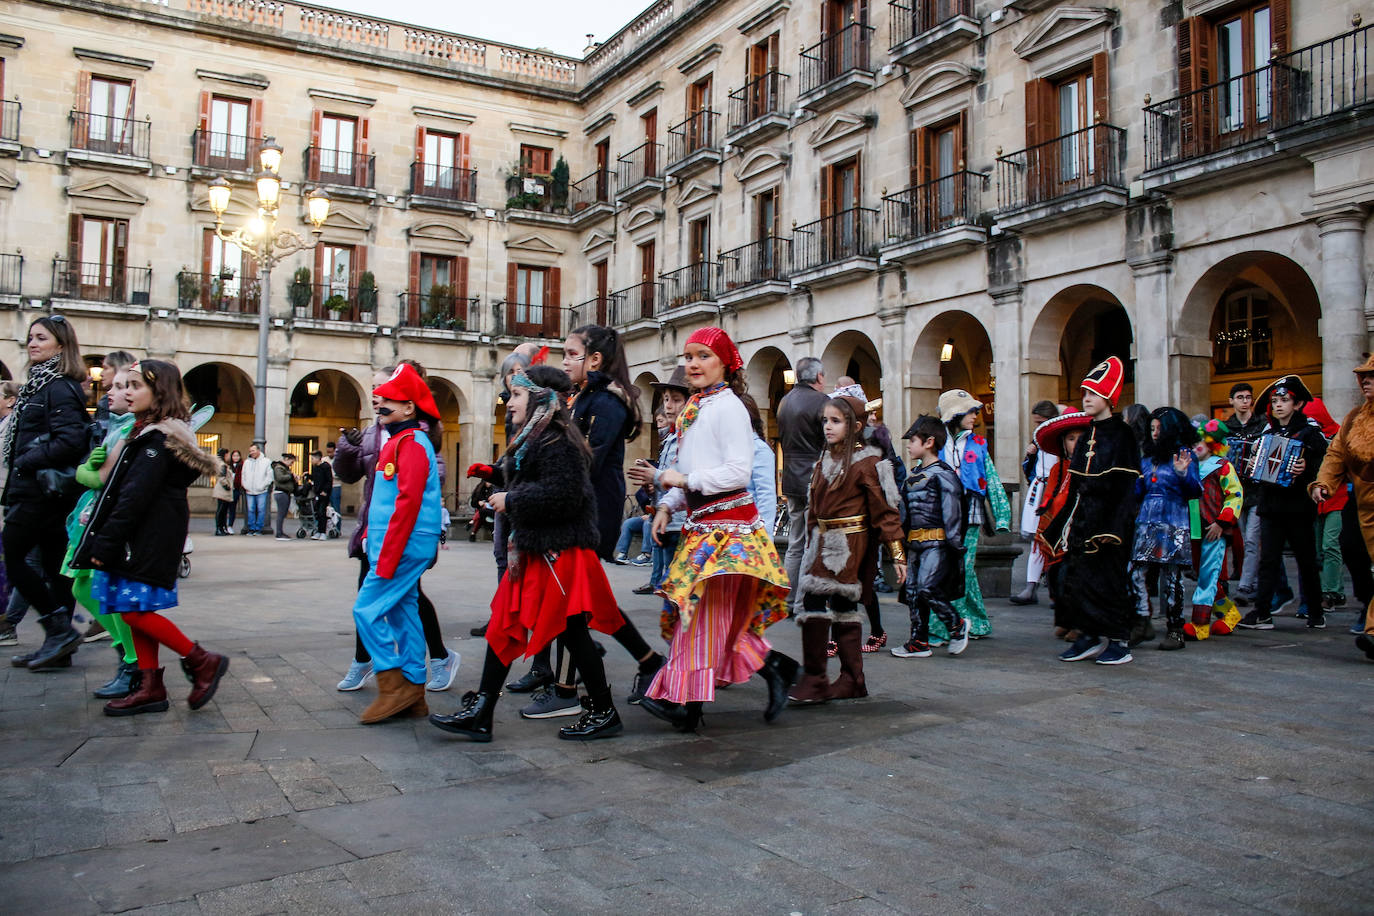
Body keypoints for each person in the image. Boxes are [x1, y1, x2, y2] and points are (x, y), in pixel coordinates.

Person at [429, 365, 625, 742]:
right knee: (505, 623)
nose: (509, 401)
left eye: (516, 395)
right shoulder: (536, 439)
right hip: (538, 551)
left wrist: (511, 499)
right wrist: (494, 474)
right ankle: (483, 711)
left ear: (539, 399)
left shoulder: (557, 441)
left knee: (572, 633)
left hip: (559, 554)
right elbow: (533, 479)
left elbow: (565, 495)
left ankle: (603, 710)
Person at [637, 327, 795, 734]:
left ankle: (686, 704)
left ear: (725, 362)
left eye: (702, 356)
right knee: (710, 615)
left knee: (701, 616)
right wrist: (668, 504)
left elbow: (736, 472)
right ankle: (774, 668)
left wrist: (677, 482)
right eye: (688, 356)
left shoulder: (728, 408)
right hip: (703, 526)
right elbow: (692, 467)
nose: (693, 364)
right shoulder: (698, 407)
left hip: (728, 530)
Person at [516, 324, 661, 721]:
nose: (564, 362)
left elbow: (584, 457)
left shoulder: (606, 403)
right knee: (590, 602)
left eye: (569, 354)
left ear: (594, 360)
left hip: (593, 511)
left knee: (571, 602)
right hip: (582, 506)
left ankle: (566, 688)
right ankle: (648, 661)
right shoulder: (584, 397)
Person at [69, 360, 227, 716]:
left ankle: (201, 660)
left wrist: (105, 542)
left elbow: (133, 497)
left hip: (146, 539)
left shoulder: (158, 438)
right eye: (126, 385)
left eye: (135, 386)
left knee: (135, 612)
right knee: (133, 611)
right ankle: (150, 685)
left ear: (160, 392)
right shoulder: (146, 432)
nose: (126, 392)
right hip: (139, 537)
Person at [334, 365, 458, 693]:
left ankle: (394, 680)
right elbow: (378, 494)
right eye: (379, 394)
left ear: (409, 407)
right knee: (404, 611)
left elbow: (408, 503)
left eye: (389, 396)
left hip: (400, 544)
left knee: (366, 608)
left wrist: (388, 552)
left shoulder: (412, 442)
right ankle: (414, 681)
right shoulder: (396, 439)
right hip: (386, 541)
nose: (380, 400)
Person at [788, 393, 904, 703]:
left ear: (855, 425)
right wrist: (812, 542)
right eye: (825, 420)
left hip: (848, 546)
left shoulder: (869, 463)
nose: (828, 426)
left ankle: (816, 678)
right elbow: (814, 511)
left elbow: (886, 511)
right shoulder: (824, 460)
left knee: (814, 598)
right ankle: (852, 679)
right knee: (842, 607)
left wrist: (898, 556)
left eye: (836, 421)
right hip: (823, 544)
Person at [3, 316, 91, 671]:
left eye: (41, 337)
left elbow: (71, 439)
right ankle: (59, 647)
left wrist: (26, 459)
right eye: (30, 337)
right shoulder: (38, 386)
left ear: (61, 344)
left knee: (12, 555)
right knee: (55, 570)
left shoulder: (59, 387)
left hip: (42, 491)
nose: (32, 343)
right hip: (41, 490)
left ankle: (58, 630)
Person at [1043, 357, 1141, 666]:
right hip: (1083, 521)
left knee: (1108, 581)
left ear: (1108, 398)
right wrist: (1062, 525)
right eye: (1084, 393)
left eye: (1093, 394)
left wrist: (1116, 528)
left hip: (1110, 522)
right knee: (1078, 580)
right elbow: (1075, 488)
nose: (1086, 399)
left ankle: (1118, 640)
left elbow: (1126, 487)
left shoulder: (1122, 435)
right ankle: (1087, 635)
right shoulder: (1085, 436)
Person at [62, 363, 140, 698]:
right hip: (92, 516)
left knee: (106, 590)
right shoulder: (117, 426)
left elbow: (102, 480)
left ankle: (132, 660)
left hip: (104, 517)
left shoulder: (130, 430)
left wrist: (82, 471)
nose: (109, 389)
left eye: (123, 384)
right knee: (82, 589)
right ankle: (128, 655)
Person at [1238, 375, 1327, 631]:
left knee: (1306, 559)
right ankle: (1263, 612)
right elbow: (1256, 470)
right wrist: (1254, 465)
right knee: (1269, 559)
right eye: (1275, 401)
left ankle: (1315, 610)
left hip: (1299, 506)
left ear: (1297, 404)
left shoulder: (1310, 432)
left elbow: (1325, 463)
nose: (1278, 405)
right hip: (1271, 506)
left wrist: (1306, 466)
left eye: (1284, 400)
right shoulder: (1268, 433)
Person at [928, 389, 1011, 643]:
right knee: (957, 569)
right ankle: (978, 623)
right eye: (970, 410)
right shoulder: (938, 442)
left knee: (961, 568)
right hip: (941, 514)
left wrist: (1002, 516)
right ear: (956, 414)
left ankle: (949, 625)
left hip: (971, 514)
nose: (976, 415)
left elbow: (993, 481)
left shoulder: (978, 444)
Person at [1311, 356, 1374, 658]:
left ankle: (1373, 630)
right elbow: (1335, 454)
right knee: (1350, 548)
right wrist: (1324, 483)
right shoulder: (1353, 417)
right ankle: (1367, 601)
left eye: (1372, 376)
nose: (1366, 381)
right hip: (1361, 503)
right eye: (1363, 377)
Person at [891, 415, 966, 660]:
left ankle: (956, 625)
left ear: (929, 442)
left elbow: (952, 512)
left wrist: (955, 545)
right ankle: (918, 641)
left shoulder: (943, 474)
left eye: (913, 440)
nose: (909, 445)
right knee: (913, 592)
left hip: (937, 543)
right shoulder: (913, 476)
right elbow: (904, 514)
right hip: (915, 543)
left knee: (927, 588)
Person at [1130, 408, 1202, 650]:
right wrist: (1135, 481)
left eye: (1159, 428)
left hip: (1173, 520)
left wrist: (1183, 474)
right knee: (1135, 572)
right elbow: (1139, 492)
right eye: (1152, 429)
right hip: (1147, 519)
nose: (1155, 433)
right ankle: (1142, 620)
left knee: (1172, 578)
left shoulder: (1185, 454)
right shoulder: (1147, 459)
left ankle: (1175, 628)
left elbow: (1195, 491)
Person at [627, 365, 690, 600]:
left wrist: (656, 476)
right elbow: (667, 475)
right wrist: (651, 481)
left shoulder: (688, 437)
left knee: (676, 588)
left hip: (679, 521)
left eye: (675, 400)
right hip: (663, 516)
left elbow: (684, 476)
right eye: (666, 399)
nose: (669, 406)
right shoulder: (672, 436)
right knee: (667, 581)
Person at [1029, 411, 1091, 638]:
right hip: (1056, 531)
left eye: (1080, 438)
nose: (1075, 443)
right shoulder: (1058, 468)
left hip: (1079, 532)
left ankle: (1079, 624)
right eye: (1071, 438)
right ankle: (1064, 619)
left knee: (1072, 578)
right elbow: (1049, 498)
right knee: (1055, 578)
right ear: (1063, 443)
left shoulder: (1091, 469)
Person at [1184, 418, 1244, 641]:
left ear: (1211, 443)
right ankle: (1229, 614)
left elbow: (1235, 496)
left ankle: (1200, 624)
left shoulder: (1222, 466)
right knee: (1204, 576)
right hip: (1195, 530)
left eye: (1198, 442)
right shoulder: (1190, 467)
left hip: (1214, 529)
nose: (1194, 447)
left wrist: (1222, 522)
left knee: (1207, 577)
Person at [776, 356, 828, 612]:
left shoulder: (785, 402)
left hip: (791, 479)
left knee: (795, 542)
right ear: (818, 377)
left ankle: (788, 599)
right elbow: (828, 441)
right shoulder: (822, 402)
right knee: (812, 541)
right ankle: (801, 602)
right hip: (814, 478)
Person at [1011, 400, 1062, 606]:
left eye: (1041, 421)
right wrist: (1031, 455)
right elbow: (1029, 468)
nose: (1038, 426)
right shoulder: (1039, 439)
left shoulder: (1060, 439)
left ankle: (1056, 588)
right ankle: (1031, 586)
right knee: (1036, 542)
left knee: (1056, 541)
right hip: (1039, 489)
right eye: (1036, 422)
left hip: (1055, 490)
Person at [1226, 382, 1270, 606]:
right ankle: (1252, 581)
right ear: (1231, 400)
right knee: (1244, 538)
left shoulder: (1263, 424)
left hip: (1257, 490)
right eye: (1240, 397)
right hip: (1236, 492)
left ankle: (1245, 585)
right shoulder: (1226, 428)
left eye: (1248, 397)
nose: (1245, 401)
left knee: (1252, 539)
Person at [1305, 399, 1347, 612]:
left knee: (1330, 544)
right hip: (1316, 500)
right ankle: (1334, 589)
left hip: (1339, 499)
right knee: (1320, 548)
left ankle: (1330, 592)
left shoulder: (1341, 434)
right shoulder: (1309, 435)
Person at [612, 484, 654, 566]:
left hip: (662, 519)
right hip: (650, 515)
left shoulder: (665, 489)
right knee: (628, 523)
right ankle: (622, 554)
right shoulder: (646, 491)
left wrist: (651, 515)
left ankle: (647, 555)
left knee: (648, 523)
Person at [239, 444, 272, 535]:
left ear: (258, 450)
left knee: (261, 510)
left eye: (253, 450)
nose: (251, 452)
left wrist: (263, 486)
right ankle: (251, 528)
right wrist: (245, 485)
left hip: (261, 491)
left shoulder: (266, 461)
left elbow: (269, 476)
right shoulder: (247, 462)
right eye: (250, 451)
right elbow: (243, 475)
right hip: (249, 490)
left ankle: (258, 529)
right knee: (250, 510)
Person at [271, 453, 298, 540]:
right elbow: (280, 478)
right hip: (281, 492)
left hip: (284, 493)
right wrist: (291, 476)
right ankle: (279, 533)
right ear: (286, 459)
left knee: (282, 513)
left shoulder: (283, 468)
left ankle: (280, 532)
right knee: (281, 514)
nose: (291, 464)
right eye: (291, 462)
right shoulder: (279, 467)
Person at [308, 449, 333, 540]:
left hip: (324, 493)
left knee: (322, 512)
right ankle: (318, 531)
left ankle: (323, 532)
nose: (311, 460)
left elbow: (329, 480)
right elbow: (315, 478)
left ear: (318, 458)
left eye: (312, 458)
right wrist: (308, 476)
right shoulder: (315, 468)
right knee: (317, 512)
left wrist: (325, 491)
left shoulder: (326, 466)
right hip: (317, 493)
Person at [213, 448, 234, 536]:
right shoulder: (223, 465)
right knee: (221, 511)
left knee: (223, 511)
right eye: (228, 455)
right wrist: (227, 486)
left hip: (223, 491)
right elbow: (222, 478)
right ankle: (219, 528)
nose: (229, 457)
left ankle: (222, 528)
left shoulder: (222, 464)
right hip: (222, 491)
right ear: (225, 455)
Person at [227, 448, 243, 531]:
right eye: (234, 456)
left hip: (236, 489)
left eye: (237, 456)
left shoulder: (241, 466)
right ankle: (224, 525)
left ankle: (230, 526)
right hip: (227, 490)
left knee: (232, 508)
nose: (236, 457)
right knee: (225, 508)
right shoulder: (228, 466)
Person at [324, 440, 342, 515]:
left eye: (331, 452)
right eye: (328, 452)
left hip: (336, 485)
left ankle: (337, 526)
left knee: (336, 508)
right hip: (326, 486)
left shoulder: (339, 460)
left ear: (335, 450)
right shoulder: (324, 460)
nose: (330, 454)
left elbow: (342, 474)